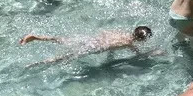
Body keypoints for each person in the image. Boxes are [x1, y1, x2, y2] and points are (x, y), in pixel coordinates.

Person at [20, 26, 153, 66]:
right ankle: (36, 64)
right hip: (94, 47)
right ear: (141, 40)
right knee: (66, 57)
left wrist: (110, 52)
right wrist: (153, 53)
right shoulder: (129, 43)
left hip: (91, 39)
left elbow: (105, 33)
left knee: (62, 40)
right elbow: (139, 55)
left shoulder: (122, 33)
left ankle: (36, 37)